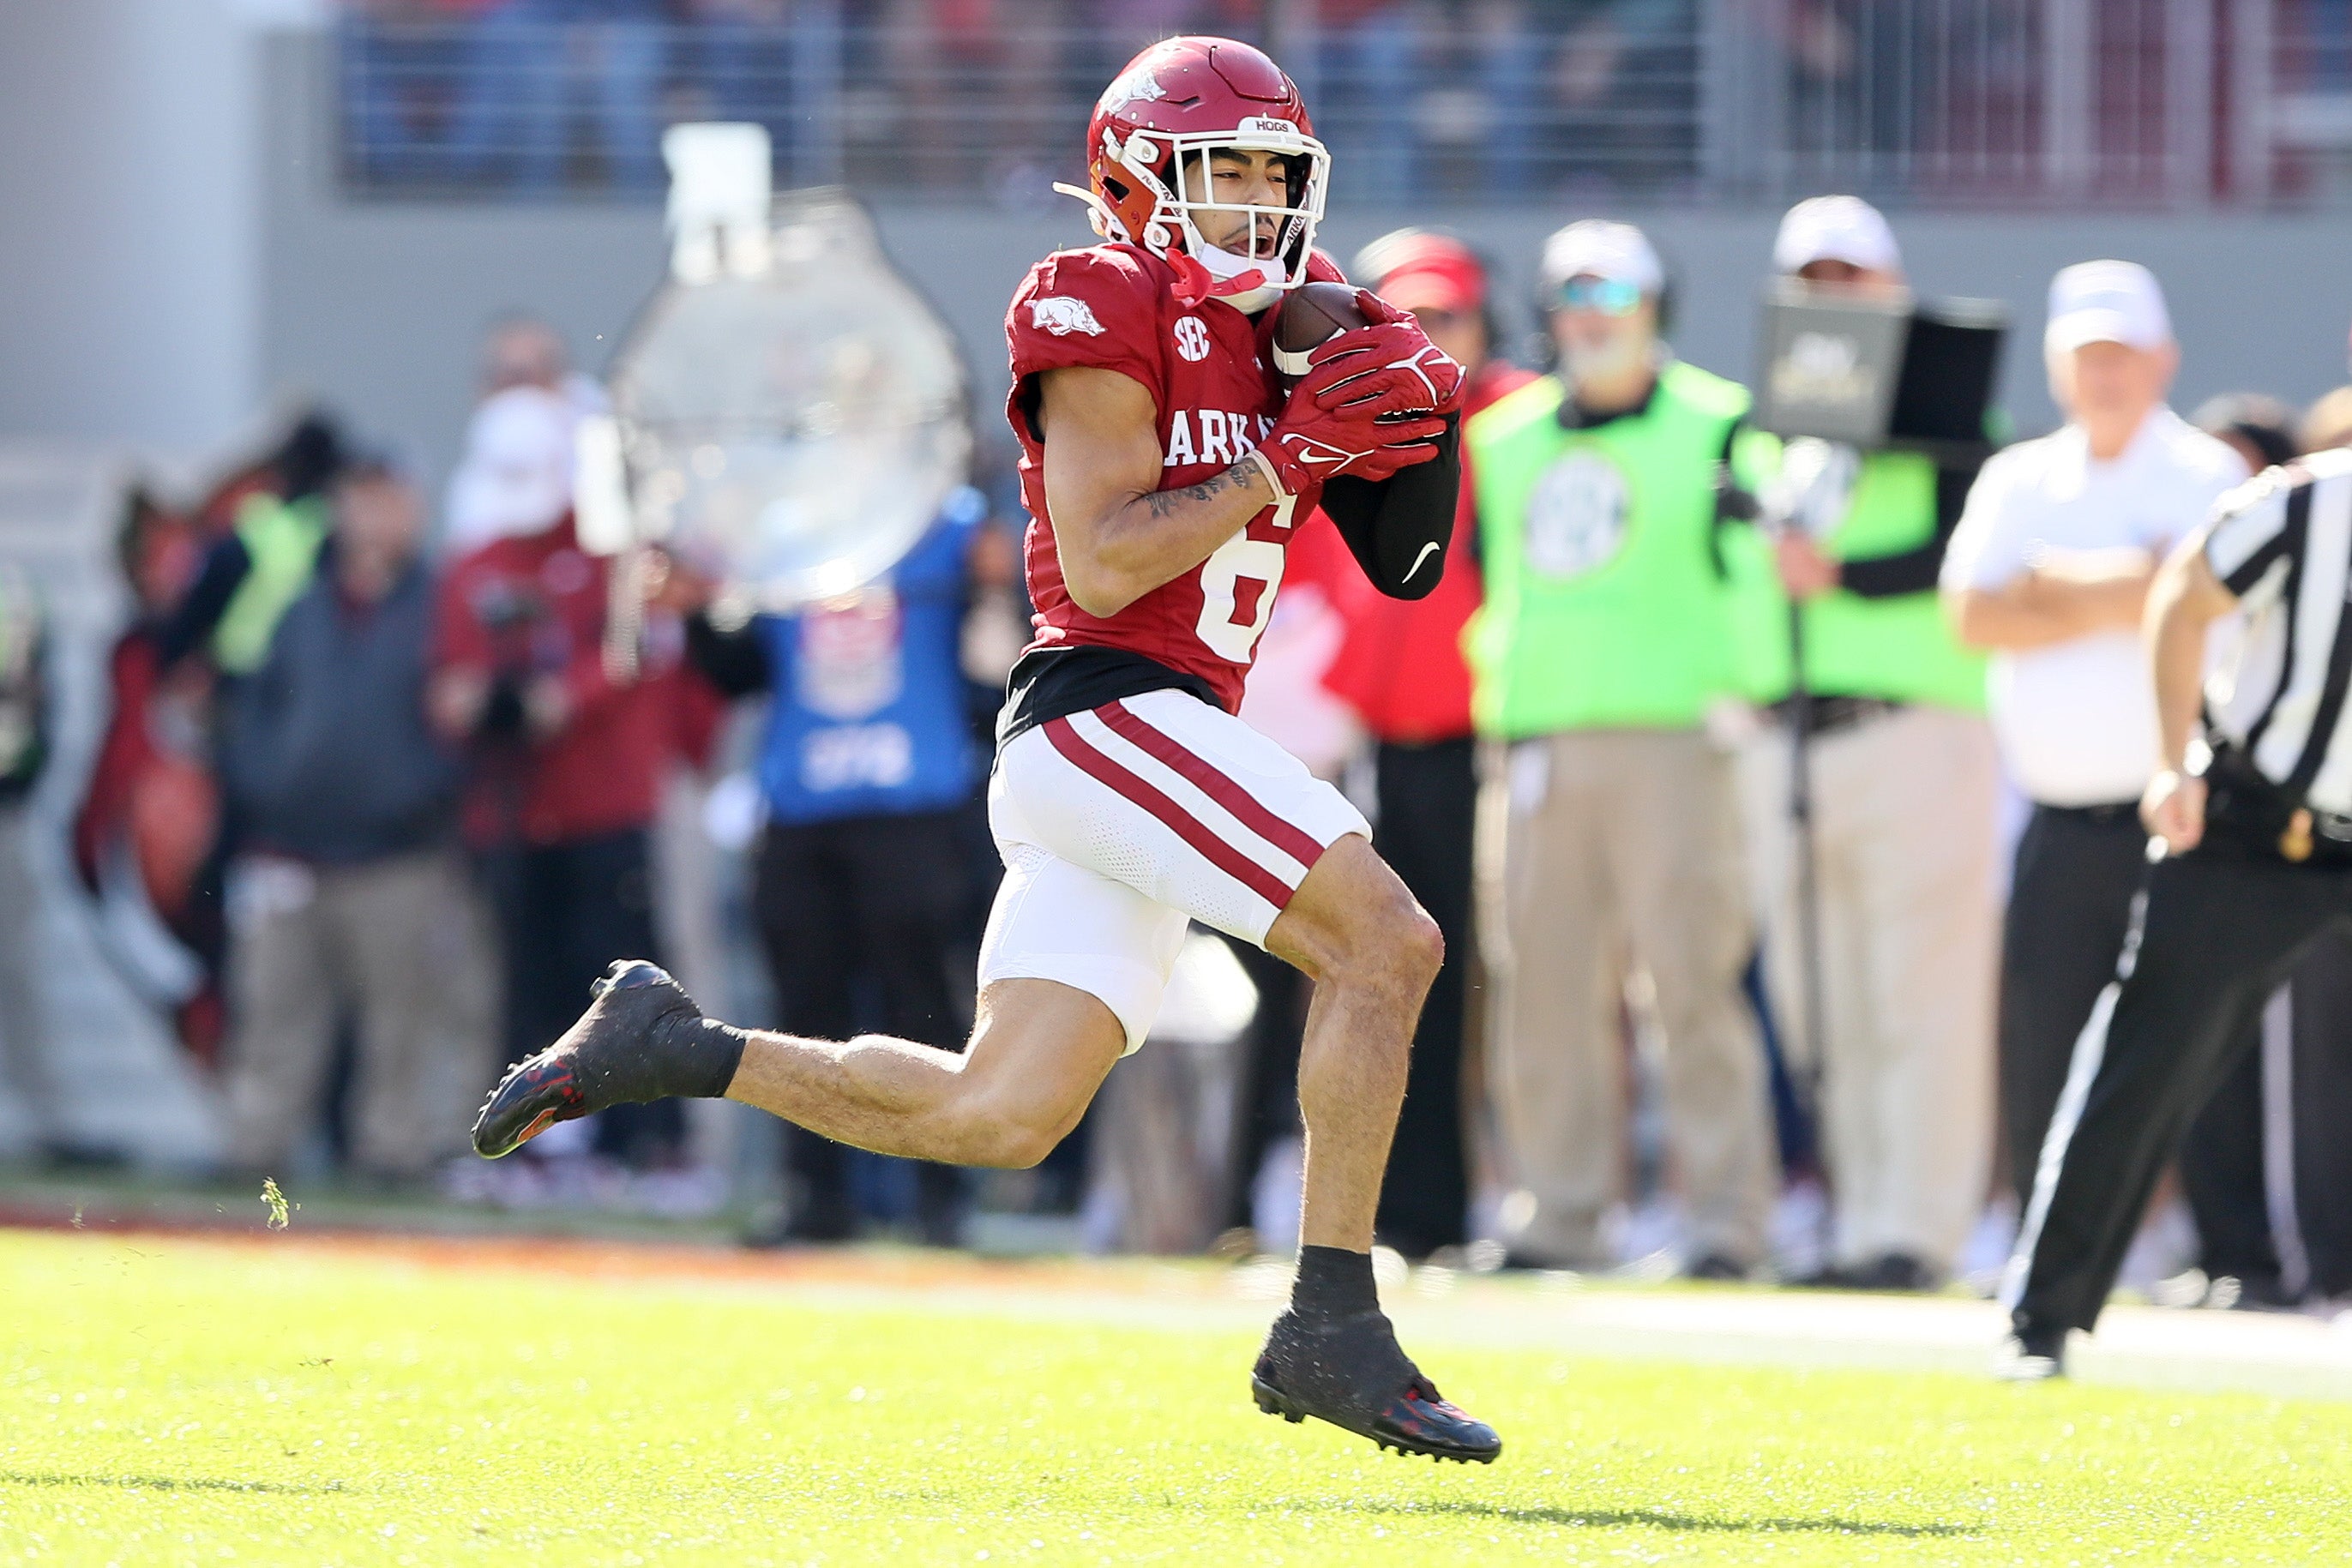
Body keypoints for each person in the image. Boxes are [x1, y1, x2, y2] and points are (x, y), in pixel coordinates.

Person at [470, 35, 1500, 1463]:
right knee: (1385, 944)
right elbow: (1108, 552)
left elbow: (1408, 557)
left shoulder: (1278, 331)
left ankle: (677, 1045)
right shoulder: (1102, 293)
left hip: (1148, 739)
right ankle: (1332, 1317)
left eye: (1276, 172)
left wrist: (1395, 400)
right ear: (1129, 179)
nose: (1256, 201)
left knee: (997, 1109)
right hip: (1109, 703)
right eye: (1224, 171)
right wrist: (1285, 457)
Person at [1996, 444, 2352, 1377]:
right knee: (2148, 1055)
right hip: (2264, 823)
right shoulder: (2303, 505)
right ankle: (2043, 1315)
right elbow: (2181, 601)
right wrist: (2168, 757)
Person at [1464, 219, 1776, 1279]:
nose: (1593, 317)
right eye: (1572, 297)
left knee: (1692, 983)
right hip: (1540, 733)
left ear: (1658, 306)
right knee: (1540, 987)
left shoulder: (1721, 421)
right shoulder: (1502, 439)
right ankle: (1557, 1213)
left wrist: (1751, 697)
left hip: (1677, 733)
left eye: (1617, 295)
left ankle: (1725, 1222)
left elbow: (1760, 574)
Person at [1940, 261, 2247, 1232]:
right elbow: (1972, 614)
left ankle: (2229, 1248)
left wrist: (2052, 582)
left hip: (2187, 811)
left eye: (2120, 353)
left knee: (2201, 1036)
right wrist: (2141, 579)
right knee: (2043, 1039)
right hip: (2056, 811)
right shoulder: (2018, 473)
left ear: (2162, 360)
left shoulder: (2210, 472)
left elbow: (2212, 610)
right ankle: (2046, 1243)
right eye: (2085, 355)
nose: (2103, 373)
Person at [1734, 195, 2000, 1291]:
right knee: (1817, 998)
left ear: (1888, 292)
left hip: (1909, 730)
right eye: (1813, 278)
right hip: (1783, 734)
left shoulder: (1943, 422)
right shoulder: (1762, 434)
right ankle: (1853, 1222)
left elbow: (1960, 551)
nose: (1831, 298)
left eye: (1850, 278)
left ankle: (1916, 1229)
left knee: (1916, 992)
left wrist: (1841, 576)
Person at [667, 488, 997, 1248]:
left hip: (912, 803)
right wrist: (693, 611)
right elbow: (739, 668)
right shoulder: (785, 524)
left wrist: (993, 582)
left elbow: (994, 655)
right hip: (803, 808)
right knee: (800, 1009)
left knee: (918, 1008)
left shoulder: (948, 524)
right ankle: (817, 1196)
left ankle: (939, 1195)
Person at [1321, 228, 1534, 1260]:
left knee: (1511, 987)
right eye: (1407, 316)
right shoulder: (1353, 428)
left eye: (1445, 316)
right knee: (1401, 984)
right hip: (1388, 748)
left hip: (1489, 738)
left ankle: (1523, 1201)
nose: (1427, 337)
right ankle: (1413, 1215)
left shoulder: (1517, 423)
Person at [432, 385, 704, 1173]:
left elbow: (636, 653)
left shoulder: (610, 553)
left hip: (607, 805)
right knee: (523, 979)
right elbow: (451, 682)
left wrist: (562, 696)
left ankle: (646, 1144)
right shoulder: (476, 561)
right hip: (512, 813)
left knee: (623, 981)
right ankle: (535, 1147)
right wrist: (491, 701)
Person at [214, 457, 493, 1184]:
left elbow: (470, 713)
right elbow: (252, 710)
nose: (374, 520)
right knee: (274, 1015)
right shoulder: (302, 606)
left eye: (388, 501)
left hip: (397, 852)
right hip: (291, 849)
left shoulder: (443, 604)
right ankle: (256, 1150)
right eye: (361, 502)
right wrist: (264, 785)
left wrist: (419, 793)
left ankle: (396, 1153)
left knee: (403, 1021)